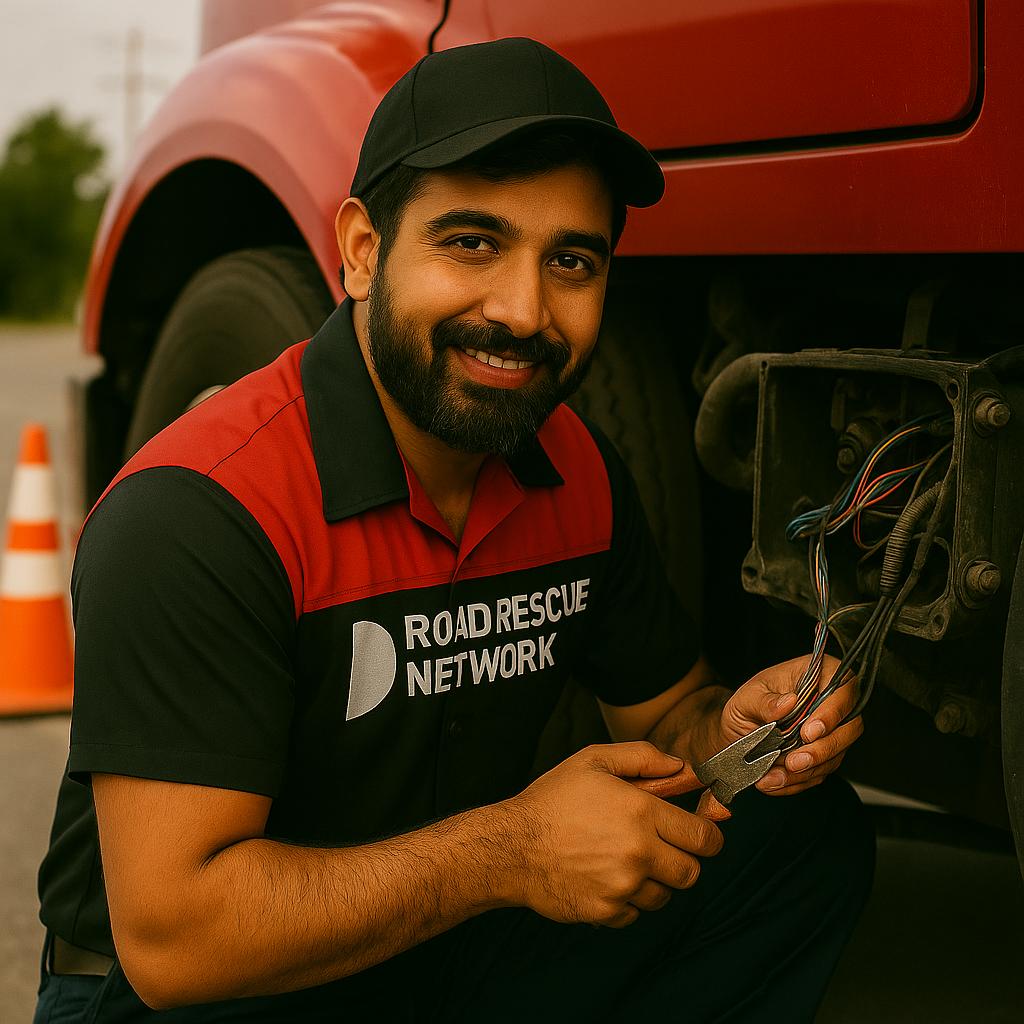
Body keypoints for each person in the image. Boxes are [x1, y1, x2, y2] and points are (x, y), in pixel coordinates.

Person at [35, 36, 873, 1023]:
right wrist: (512, 852)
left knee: (797, 835)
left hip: (431, 933)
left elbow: (666, 722)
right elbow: (180, 940)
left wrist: (733, 728)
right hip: (201, 988)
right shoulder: (203, 510)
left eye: (570, 260)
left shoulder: (577, 472)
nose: (522, 311)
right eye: (471, 242)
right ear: (360, 251)